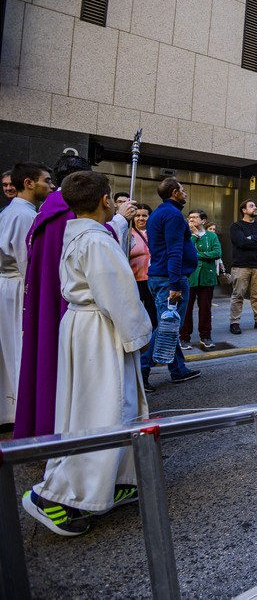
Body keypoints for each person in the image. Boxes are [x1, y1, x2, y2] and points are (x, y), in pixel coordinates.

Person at [21, 171, 153, 536]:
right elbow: (118, 293)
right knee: (101, 410)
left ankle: (114, 479)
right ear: (104, 201)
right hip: (100, 329)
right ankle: (55, 494)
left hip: (84, 326)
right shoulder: (97, 241)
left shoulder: (78, 233)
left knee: (108, 405)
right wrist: (139, 333)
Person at [13, 155, 135, 440]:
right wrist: (119, 221)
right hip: (85, 314)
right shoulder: (71, 214)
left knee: (52, 366)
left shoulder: (45, 212)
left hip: (55, 305)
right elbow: (100, 256)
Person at [0, 163, 53, 429]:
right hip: (18, 287)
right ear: (30, 183)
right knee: (17, 349)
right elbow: (26, 261)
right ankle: (17, 408)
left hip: (10, 286)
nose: (51, 185)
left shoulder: (17, 211)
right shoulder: (23, 216)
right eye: (46, 180)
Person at [140, 178, 202, 386]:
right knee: (167, 327)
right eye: (183, 190)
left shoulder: (158, 213)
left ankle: (177, 370)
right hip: (169, 279)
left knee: (169, 324)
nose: (185, 193)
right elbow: (174, 251)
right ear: (175, 192)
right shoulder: (173, 215)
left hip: (159, 276)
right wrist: (175, 284)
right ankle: (141, 370)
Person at [229, 200, 257, 333]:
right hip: (241, 266)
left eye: (255, 205)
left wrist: (251, 238)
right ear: (244, 210)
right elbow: (241, 242)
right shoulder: (236, 226)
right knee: (238, 295)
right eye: (251, 206)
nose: (255, 208)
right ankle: (234, 323)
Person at [180, 209, 221, 350]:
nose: (191, 220)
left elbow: (217, 253)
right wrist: (194, 236)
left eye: (195, 218)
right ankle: (184, 337)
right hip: (189, 277)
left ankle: (206, 336)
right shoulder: (186, 235)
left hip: (207, 277)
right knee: (186, 308)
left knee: (205, 308)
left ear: (203, 220)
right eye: (189, 218)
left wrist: (197, 255)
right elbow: (184, 252)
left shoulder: (211, 236)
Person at [128, 203, 157, 393]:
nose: (140, 218)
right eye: (137, 215)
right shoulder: (127, 234)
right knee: (138, 324)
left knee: (154, 323)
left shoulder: (155, 234)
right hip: (134, 283)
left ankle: (147, 367)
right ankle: (139, 373)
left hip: (153, 282)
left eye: (145, 215)